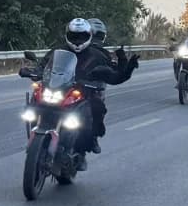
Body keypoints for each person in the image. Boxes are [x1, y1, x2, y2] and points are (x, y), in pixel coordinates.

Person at [36, 17, 137, 153]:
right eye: (74, 36)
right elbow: (43, 66)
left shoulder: (98, 55)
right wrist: (32, 71)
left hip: (84, 93)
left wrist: (127, 67)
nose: (77, 40)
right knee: (36, 95)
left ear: (89, 36)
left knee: (97, 106)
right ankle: (35, 129)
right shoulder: (58, 50)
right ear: (67, 35)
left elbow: (115, 76)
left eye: (82, 36)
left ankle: (91, 139)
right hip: (59, 89)